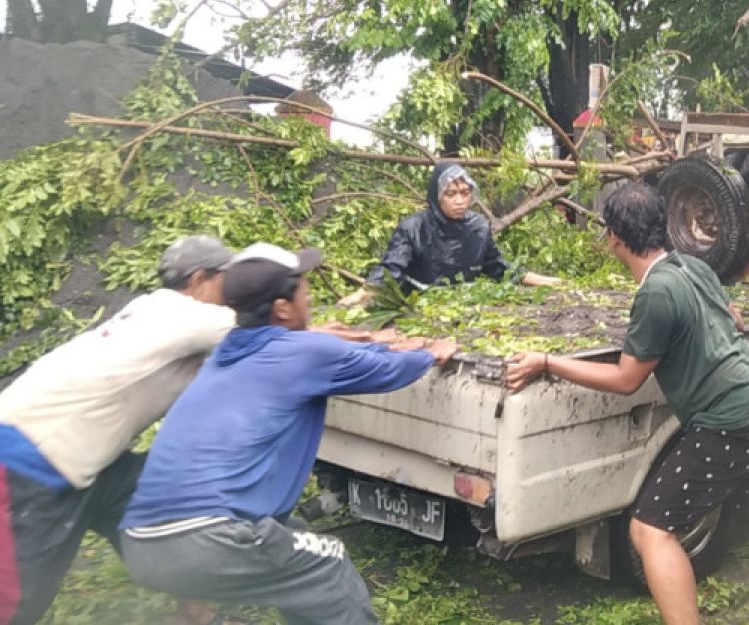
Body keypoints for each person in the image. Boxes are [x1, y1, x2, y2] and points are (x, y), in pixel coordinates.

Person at [505, 184, 749, 622]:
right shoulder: (692, 265)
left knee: (651, 528)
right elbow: (732, 317)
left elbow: (626, 379)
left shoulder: (656, 292)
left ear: (614, 237)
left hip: (734, 422)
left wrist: (548, 362)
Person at [118, 242, 458, 624]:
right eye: (303, 288)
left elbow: (338, 355)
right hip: (207, 538)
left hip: (142, 542)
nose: (309, 297)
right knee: (328, 566)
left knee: (291, 537)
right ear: (282, 306)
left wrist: (380, 344)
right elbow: (393, 369)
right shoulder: (301, 352)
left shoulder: (225, 355)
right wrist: (432, 350)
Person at [0, 235, 236, 625]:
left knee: (174, 506)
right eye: (228, 279)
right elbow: (268, 330)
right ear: (199, 279)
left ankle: (198, 615)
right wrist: (355, 333)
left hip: (91, 460)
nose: (236, 291)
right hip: (29, 458)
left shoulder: (151, 313)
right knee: (17, 601)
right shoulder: (185, 314)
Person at [339, 162, 560, 305]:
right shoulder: (414, 228)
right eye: (451, 194)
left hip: (466, 305)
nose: (459, 201)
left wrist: (550, 282)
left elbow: (498, 267)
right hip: (421, 305)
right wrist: (359, 296)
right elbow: (391, 269)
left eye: (465, 193)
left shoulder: (478, 227)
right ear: (437, 196)